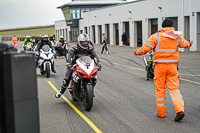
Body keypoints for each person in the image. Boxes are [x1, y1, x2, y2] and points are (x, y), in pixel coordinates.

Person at [133, 18, 193, 121]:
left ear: (162, 26)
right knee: (174, 89)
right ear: (172, 26)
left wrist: (136, 52)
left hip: (160, 67)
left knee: (160, 90)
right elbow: (185, 44)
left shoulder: (156, 36)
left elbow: (145, 49)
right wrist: (190, 43)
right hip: (173, 67)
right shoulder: (176, 37)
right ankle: (179, 110)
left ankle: (161, 114)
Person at [55, 33, 101, 98]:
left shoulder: (90, 48)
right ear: (79, 42)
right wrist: (69, 63)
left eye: (86, 42)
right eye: (83, 42)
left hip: (86, 64)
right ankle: (61, 91)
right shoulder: (75, 47)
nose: (85, 43)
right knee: (67, 78)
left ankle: (91, 89)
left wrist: (98, 63)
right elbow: (69, 55)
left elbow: (95, 56)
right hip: (75, 64)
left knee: (94, 76)